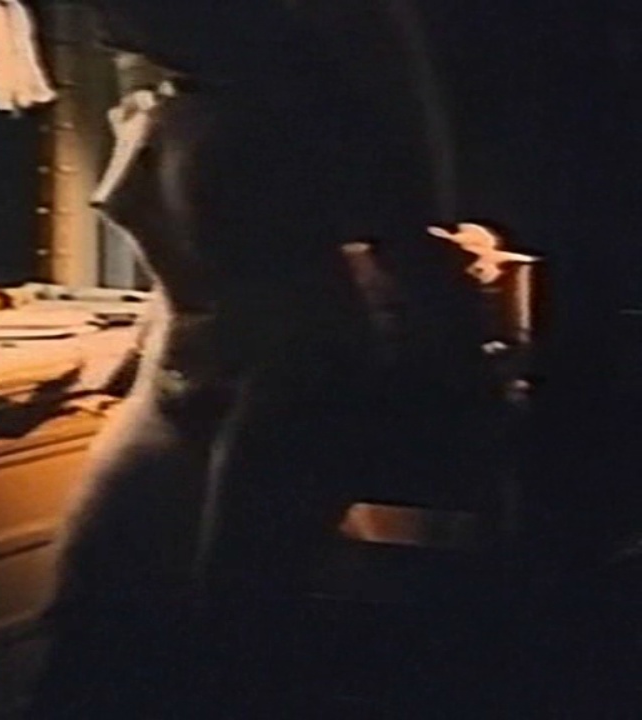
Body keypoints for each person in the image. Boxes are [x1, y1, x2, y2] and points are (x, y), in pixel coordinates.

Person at [30, 1, 489, 717]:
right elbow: (181, 271)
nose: (102, 20)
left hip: (292, 376)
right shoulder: (157, 103)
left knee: (233, 620)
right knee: (90, 588)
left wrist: (466, 392)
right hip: (174, 372)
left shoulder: (307, 111)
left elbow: (409, 255)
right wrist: (111, 362)